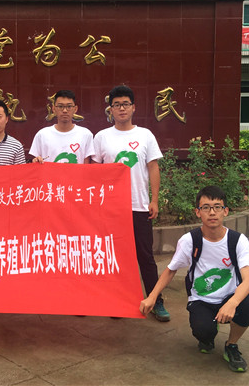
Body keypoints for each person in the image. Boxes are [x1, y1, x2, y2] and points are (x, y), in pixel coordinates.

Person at [140, 186, 249, 372]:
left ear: (225, 211)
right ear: (197, 212)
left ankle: (231, 345)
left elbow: (247, 280)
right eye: (206, 207)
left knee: (247, 308)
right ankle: (207, 335)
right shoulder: (189, 240)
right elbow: (171, 270)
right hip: (201, 298)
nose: (212, 212)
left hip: (229, 295)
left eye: (217, 207)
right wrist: (152, 297)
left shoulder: (238, 241)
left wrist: (233, 302)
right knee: (203, 331)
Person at [92, 85, 170, 321]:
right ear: (111, 109)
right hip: (111, 208)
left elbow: (153, 167)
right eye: (116, 105)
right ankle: (119, 300)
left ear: (134, 107)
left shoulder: (145, 135)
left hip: (138, 206)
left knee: (145, 256)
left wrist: (154, 200)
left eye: (125, 104)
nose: (121, 108)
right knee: (114, 256)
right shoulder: (102, 137)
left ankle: (155, 300)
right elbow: (95, 171)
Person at [29, 90, 94, 164]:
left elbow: (86, 167)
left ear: (75, 109)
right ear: (54, 109)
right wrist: (36, 160)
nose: (65, 110)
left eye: (69, 106)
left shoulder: (85, 134)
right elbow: (35, 163)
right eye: (60, 106)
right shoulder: (42, 135)